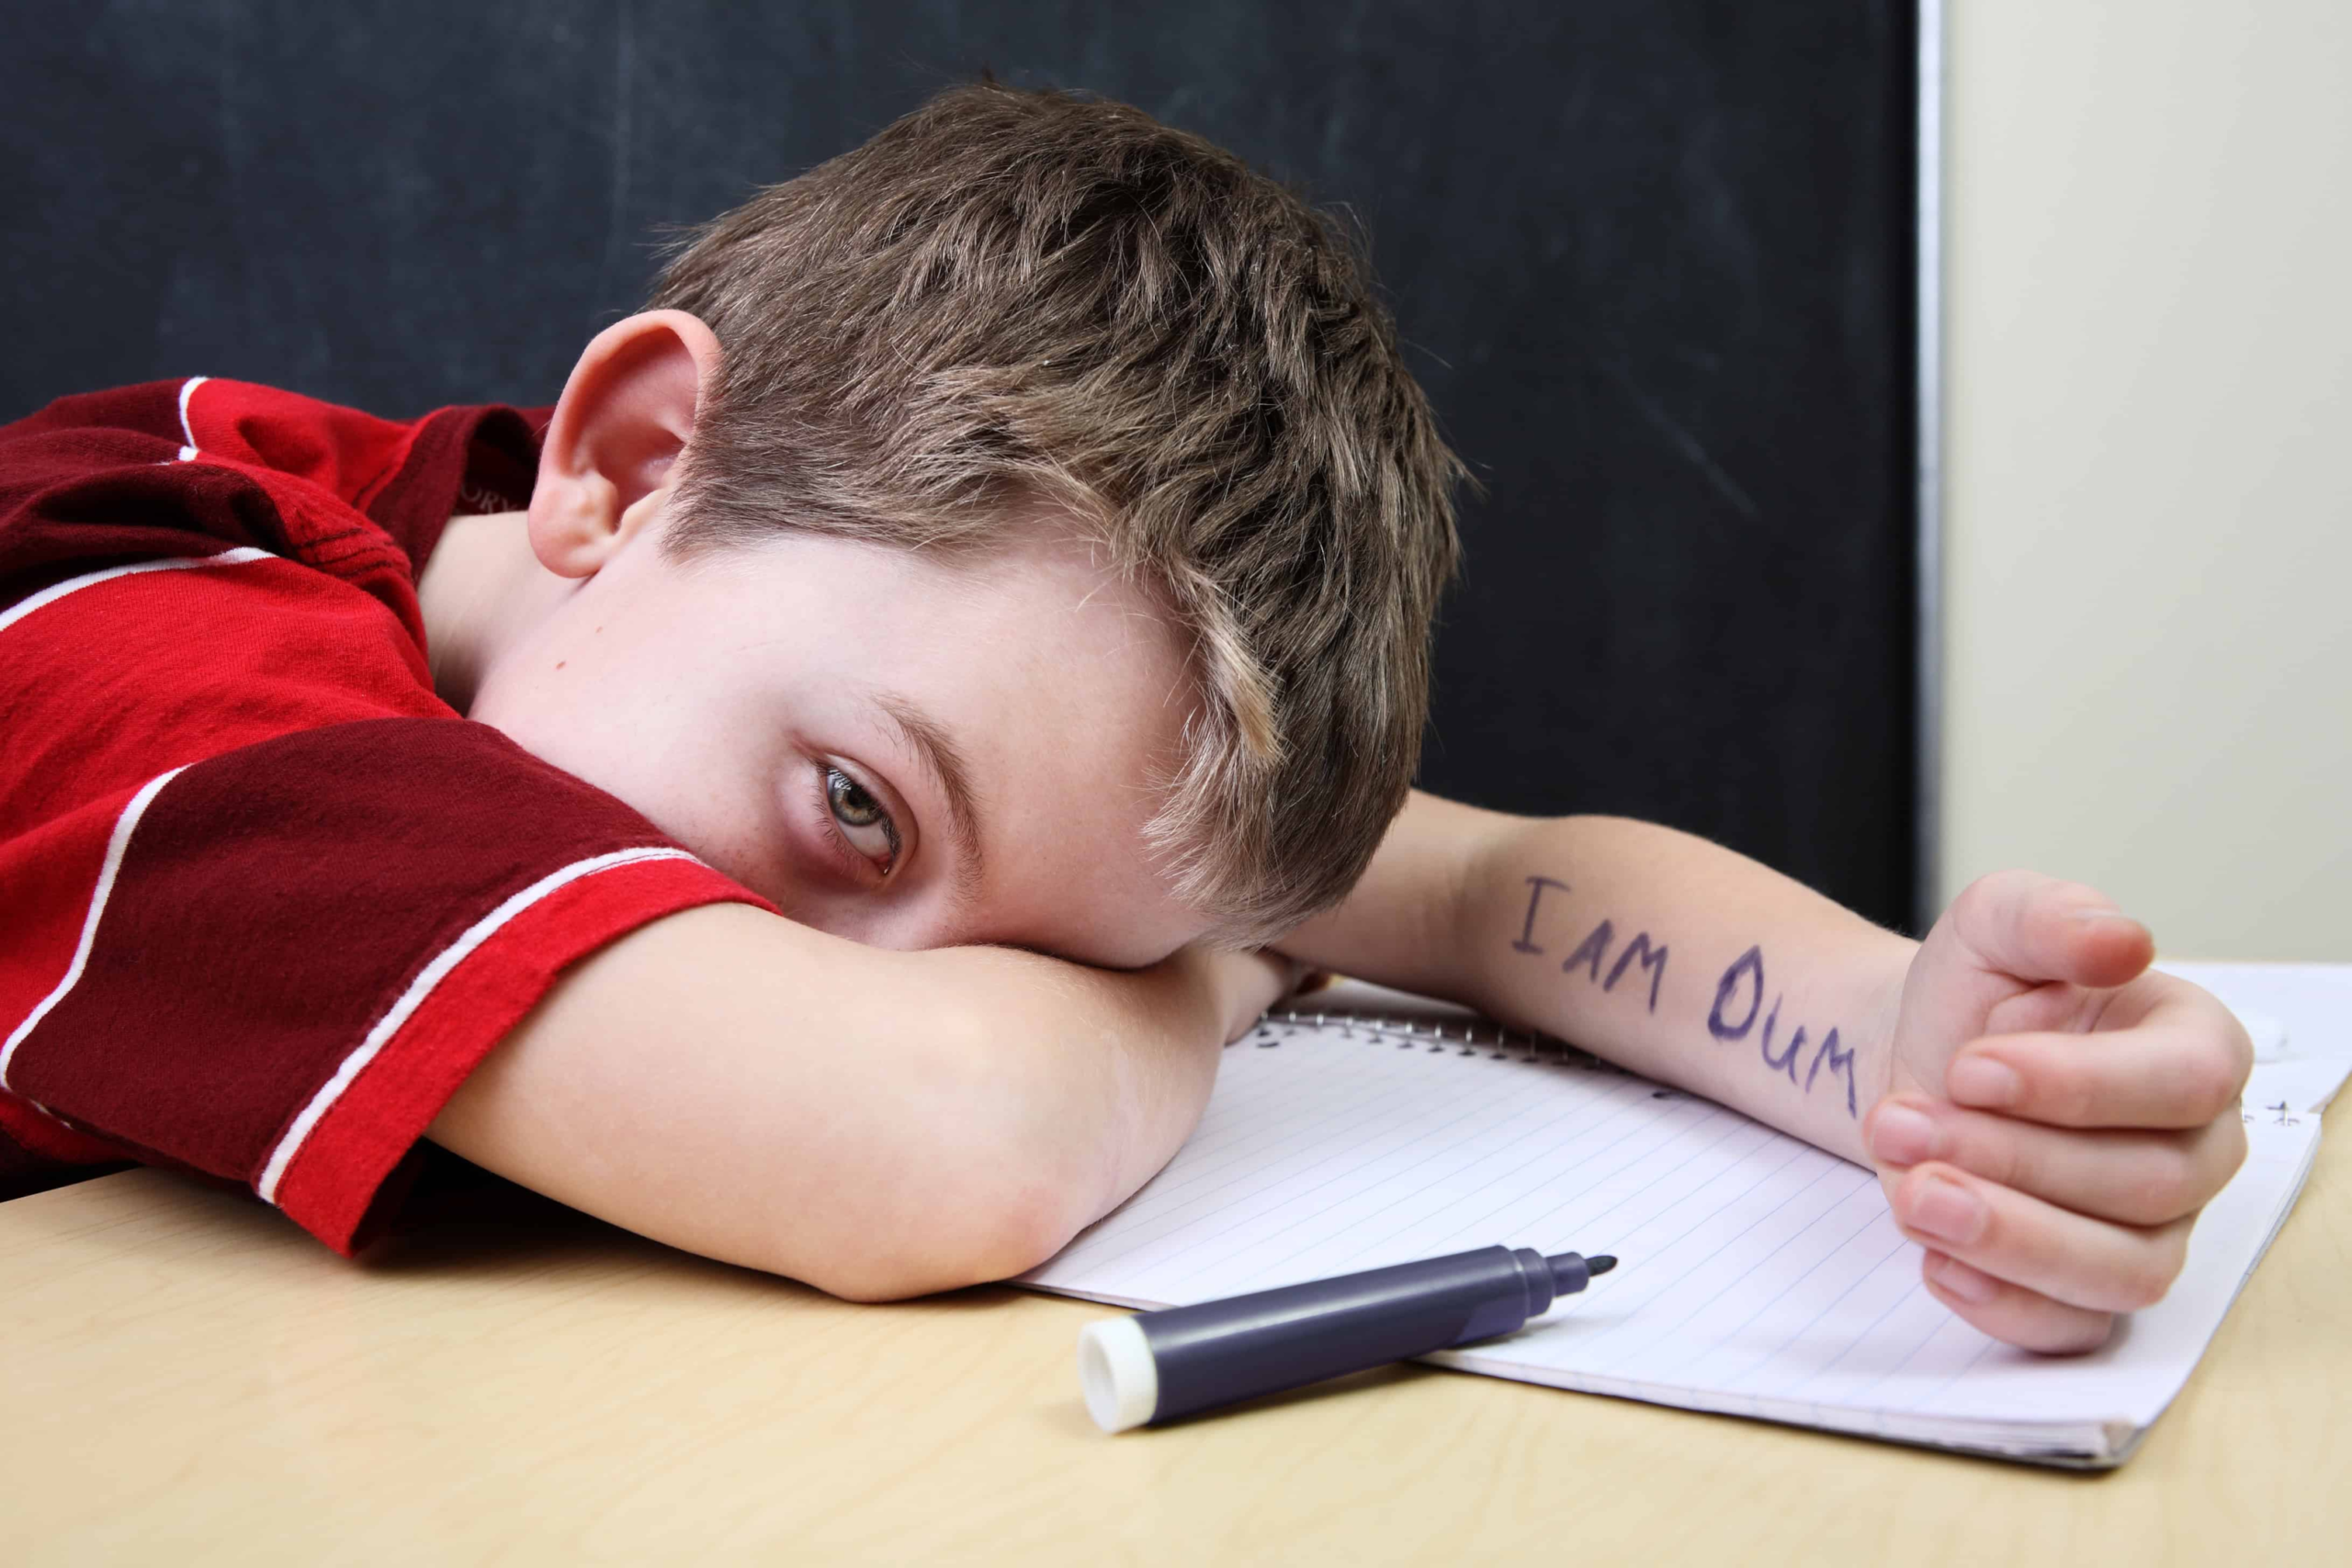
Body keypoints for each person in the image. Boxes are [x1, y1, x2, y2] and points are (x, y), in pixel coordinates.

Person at [0, 85, 2248, 1356]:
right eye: (857, 818)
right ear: (629, 460)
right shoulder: (126, 652)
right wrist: (1206, 964)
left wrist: (1928, 1067)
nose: (877, 959)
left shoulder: (748, 607)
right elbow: (933, 1144)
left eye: (1039, 939)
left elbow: (1475, 887)